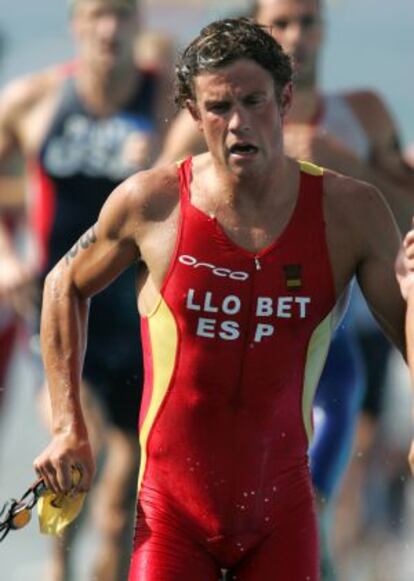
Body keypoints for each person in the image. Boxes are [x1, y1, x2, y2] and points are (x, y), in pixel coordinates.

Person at [32, 17, 407, 580]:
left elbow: (402, 320)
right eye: (218, 107)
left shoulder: (349, 212)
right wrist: (68, 428)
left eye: (254, 101)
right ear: (191, 112)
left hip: (281, 514)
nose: (238, 124)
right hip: (171, 516)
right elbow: (63, 284)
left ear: (284, 99)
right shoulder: (151, 203)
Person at [157, 2, 414, 576]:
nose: (298, 35)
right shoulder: (203, 118)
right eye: (282, 23)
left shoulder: (363, 112)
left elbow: (400, 213)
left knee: (325, 491)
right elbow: (159, 221)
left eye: (308, 20)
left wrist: (339, 164)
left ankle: (350, 561)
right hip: (236, 343)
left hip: (348, 332)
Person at [0, 0, 173, 579]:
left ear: (137, 25)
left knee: (126, 478)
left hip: (137, 315)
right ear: (76, 25)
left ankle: (103, 568)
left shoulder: (169, 101)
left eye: (122, 14)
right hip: (58, 311)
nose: (108, 28)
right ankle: (56, 569)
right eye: (97, 14)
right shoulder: (35, 99)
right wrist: (6, 259)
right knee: (76, 439)